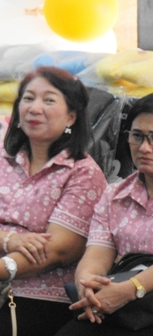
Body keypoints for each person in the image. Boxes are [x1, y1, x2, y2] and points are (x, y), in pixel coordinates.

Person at [0, 66, 107, 336]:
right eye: (28, 98)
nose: (34, 108)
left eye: (49, 100)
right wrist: (11, 240)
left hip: (40, 297)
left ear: (71, 116)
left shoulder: (83, 173)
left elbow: (57, 250)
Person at [54, 93, 153, 336]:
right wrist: (87, 284)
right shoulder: (114, 195)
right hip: (129, 306)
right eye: (137, 136)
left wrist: (132, 288)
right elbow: (96, 256)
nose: (144, 148)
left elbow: (129, 290)